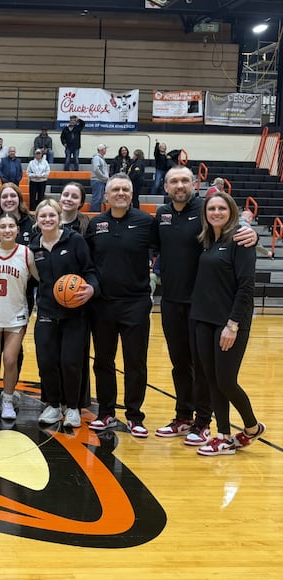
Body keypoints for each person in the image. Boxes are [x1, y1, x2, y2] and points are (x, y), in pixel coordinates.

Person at [153, 166, 257, 446]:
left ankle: (203, 423)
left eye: (185, 180)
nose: (179, 185)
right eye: (173, 181)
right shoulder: (162, 214)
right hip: (171, 300)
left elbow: (232, 225)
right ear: (165, 187)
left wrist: (251, 232)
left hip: (203, 306)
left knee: (204, 369)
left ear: (194, 184)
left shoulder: (205, 210)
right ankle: (183, 416)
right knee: (179, 364)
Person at [191, 191, 265, 455]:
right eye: (211, 209)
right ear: (205, 213)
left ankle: (252, 427)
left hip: (230, 323)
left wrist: (232, 325)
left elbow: (246, 287)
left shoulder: (240, 240)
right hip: (204, 320)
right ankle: (222, 436)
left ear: (231, 211)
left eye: (222, 208)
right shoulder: (209, 240)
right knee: (212, 380)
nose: (216, 213)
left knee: (226, 381)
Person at [85, 174, 155, 437]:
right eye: (116, 189)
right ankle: (105, 413)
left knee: (135, 362)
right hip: (102, 304)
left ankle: (135, 416)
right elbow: (89, 263)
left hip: (135, 304)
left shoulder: (147, 222)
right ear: (106, 195)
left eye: (126, 189)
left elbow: (167, 248)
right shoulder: (96, 224)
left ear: (132, 193)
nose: (121, 193)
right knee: (103, 361)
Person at [30, 199, 98, 428]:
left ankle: (73, 408)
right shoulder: (34, 247)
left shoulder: (75, 240)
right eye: (43, 216)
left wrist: (91, 289)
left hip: (75, 312)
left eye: (52, 215)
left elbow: (90, 271)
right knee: (47, 361)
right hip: (47, 311)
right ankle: (53, 405)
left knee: (71, 362)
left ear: (59, 218)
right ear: (37, 220)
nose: (47, 220)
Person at [0, 212, 36, 421]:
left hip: (16, 313)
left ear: (18, 230)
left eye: (11, 226)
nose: (7, 230)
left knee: (11, 360)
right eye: (2, 227)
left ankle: (8, 399)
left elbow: (38, 278)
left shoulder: (26, 253)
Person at [90, 143, 109, 213]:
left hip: (100, 180)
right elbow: (96, 169)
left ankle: (95, 213)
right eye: (105, 149)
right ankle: (94, 214)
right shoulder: (97, 158)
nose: (106, 150)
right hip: (98, 180)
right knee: (97, 198)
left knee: (99, 198)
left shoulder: (100, 158)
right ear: (101, 150)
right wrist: (104, 178)